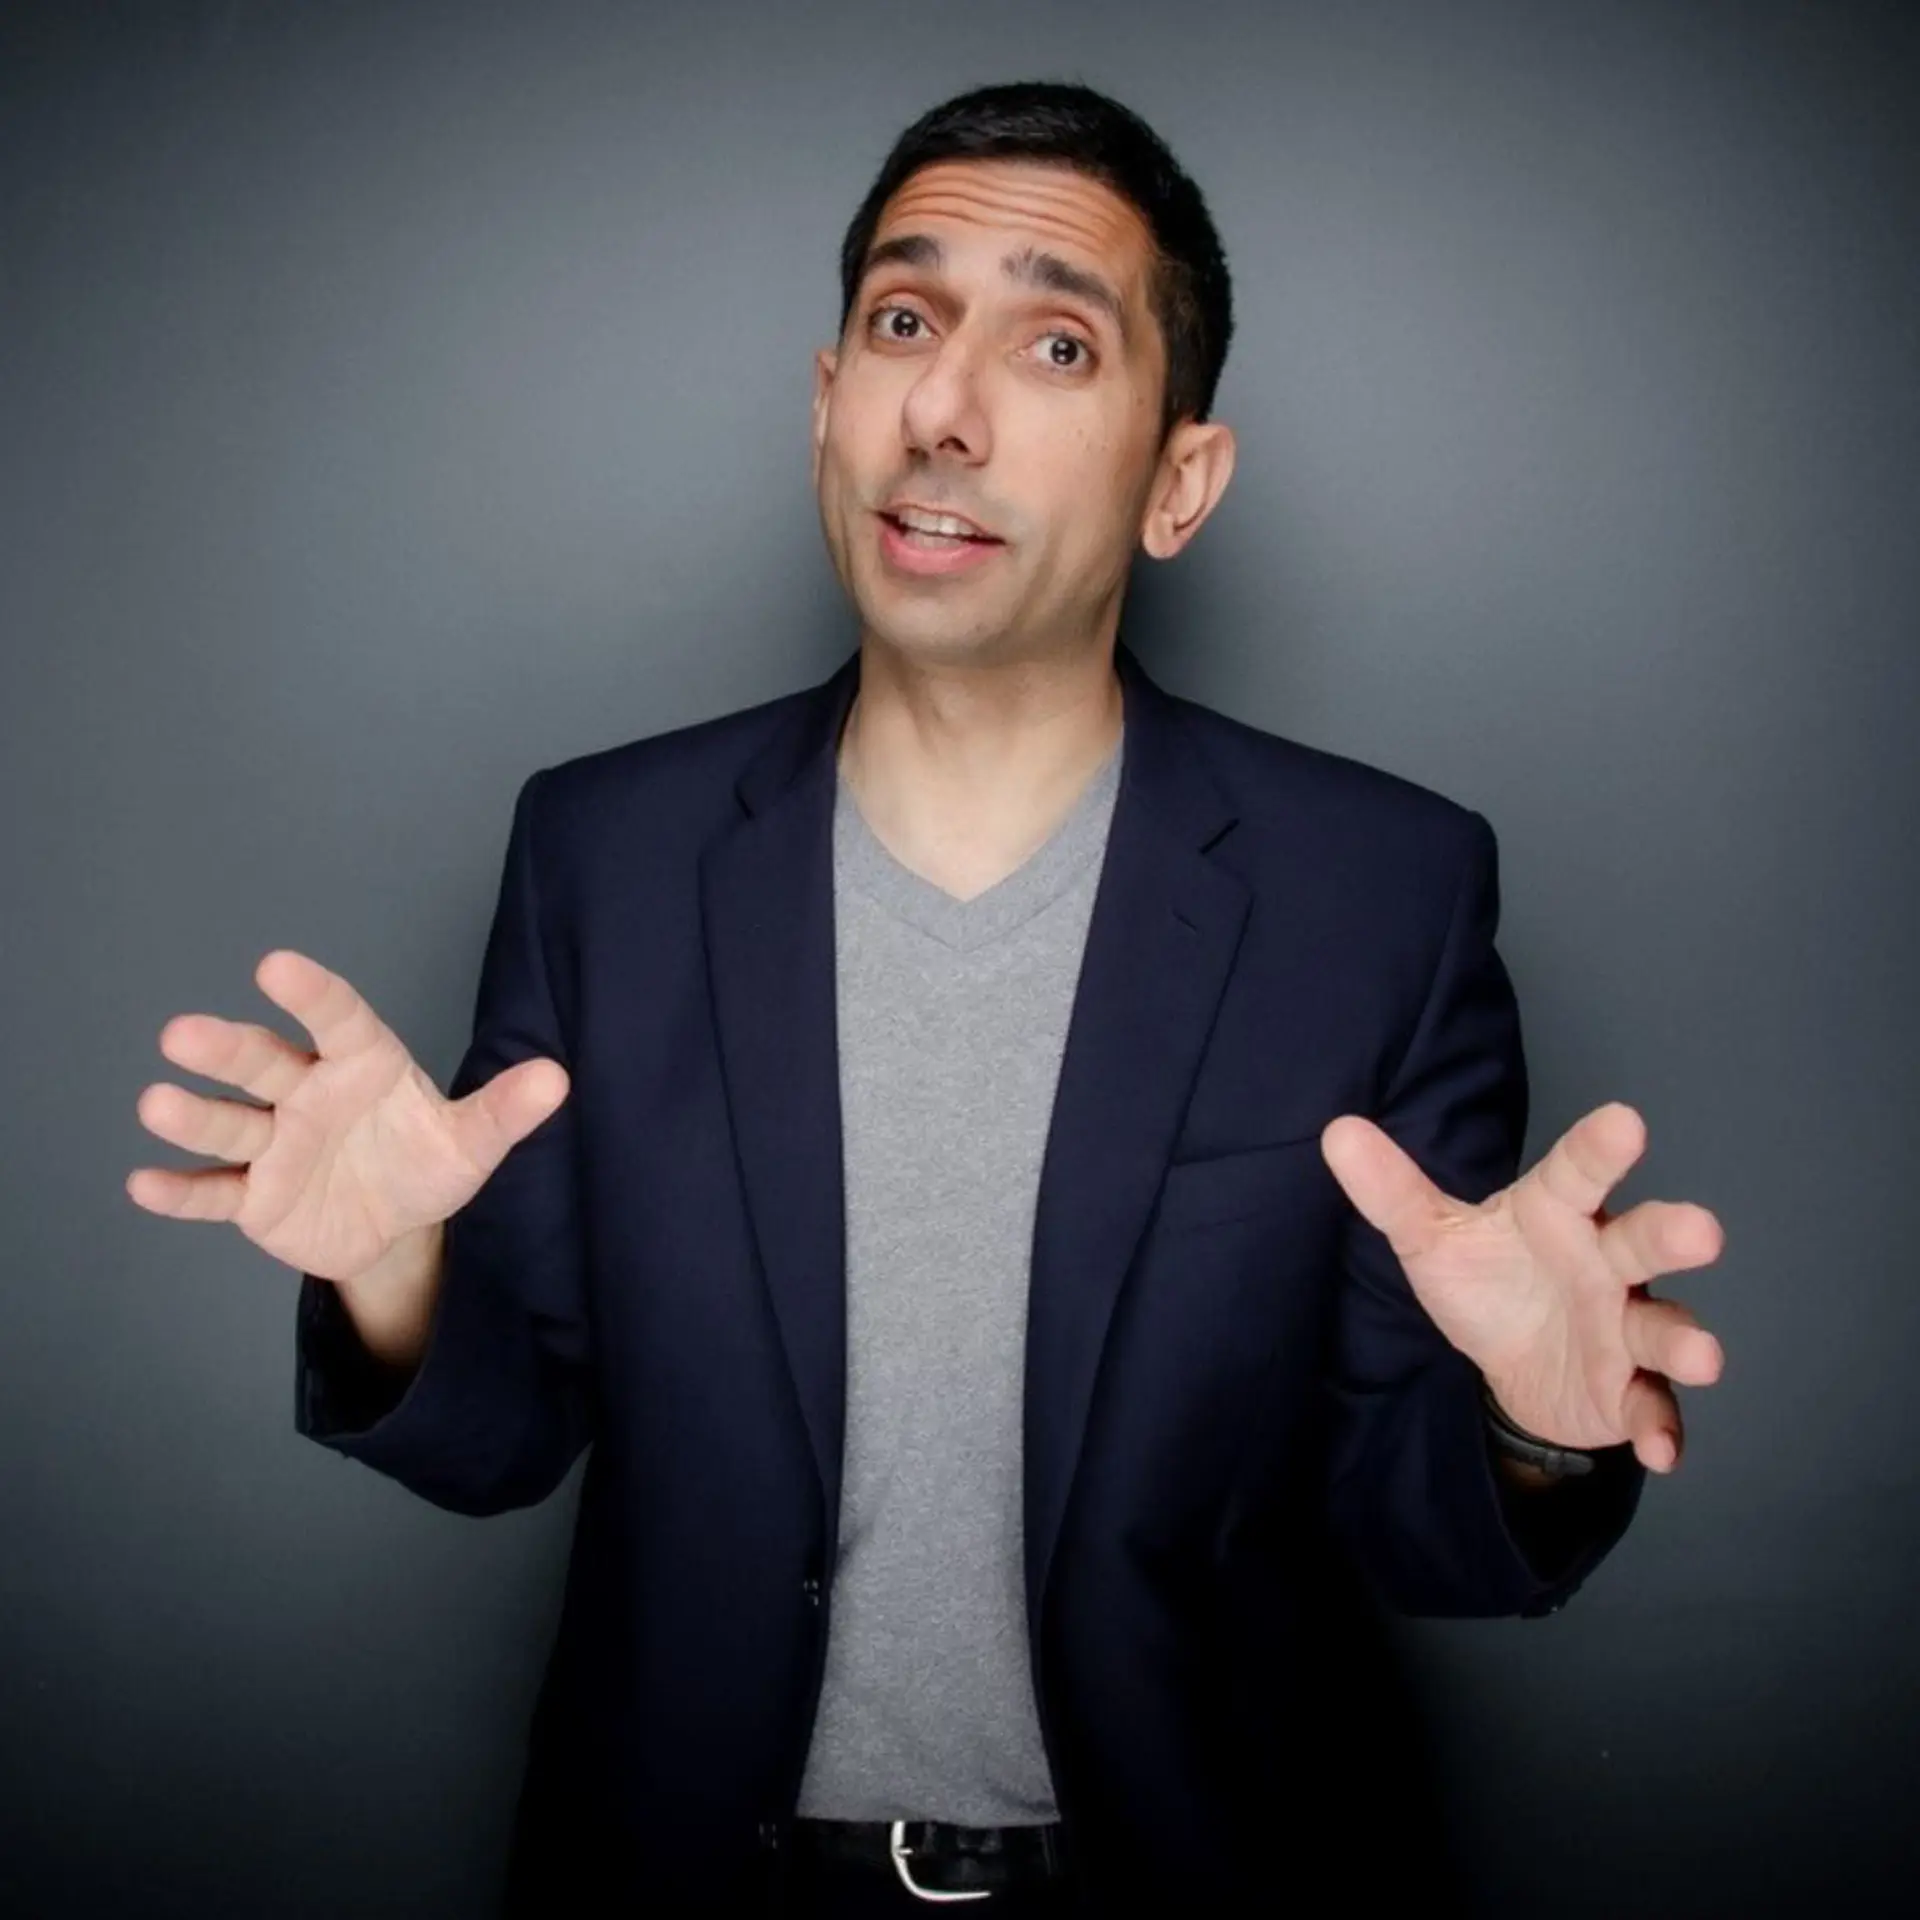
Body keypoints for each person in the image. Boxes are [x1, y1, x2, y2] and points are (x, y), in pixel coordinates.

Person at [126, 80, 1726, 1918]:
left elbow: (1407, 1526)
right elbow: (509, 1442)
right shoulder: (604, 854)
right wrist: (392, 1275)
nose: (945, 411)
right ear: (826, 404)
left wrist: (1535, 1425)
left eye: (1056, 346)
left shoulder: (1379, 895)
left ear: (1181, 482)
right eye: (903, 322)